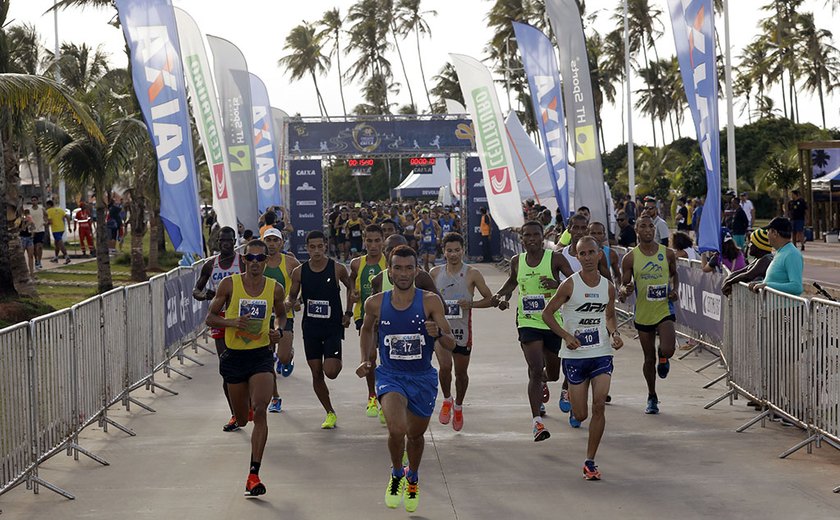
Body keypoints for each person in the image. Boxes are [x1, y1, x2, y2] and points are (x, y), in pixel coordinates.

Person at [356, 245, 455, 513]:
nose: (403, 273)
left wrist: (437, 334)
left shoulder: (430, 301)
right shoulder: (375, 302)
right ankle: (398, 473)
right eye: (397, 268)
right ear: (389, 270)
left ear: (416, 270)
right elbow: (366, 330)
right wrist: (367, 358)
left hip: (422, 377)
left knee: (415, 436)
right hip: (391, 376)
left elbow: (451, 342)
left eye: (408, 267)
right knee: (397, 429)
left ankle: (413, 477)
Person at [206, 239, 286, 497]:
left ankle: (254, 474)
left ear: (266, 260)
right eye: (250, 259)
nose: (255, 263)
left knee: (261, 410)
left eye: (260, 259)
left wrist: (278, 330)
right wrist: (231, 322)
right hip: (234, 357)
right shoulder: (229, 284)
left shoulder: (275, 288)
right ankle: (244, 410)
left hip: (261, 355)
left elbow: (282, 314)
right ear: (244, 260)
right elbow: (210, 317)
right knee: (243, 419)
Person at [542, 236, 623, 480]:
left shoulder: (607, 286)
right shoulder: (569, 285)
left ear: (600, 254)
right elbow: (547, 314)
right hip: (575, 356)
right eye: (582, 254)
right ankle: (568, 393)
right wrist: (566, 335)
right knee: (581, 415)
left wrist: (615, 333)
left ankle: (590, 461)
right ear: (577, 258)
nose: (587, 258)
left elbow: (609, 316)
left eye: (591, 252)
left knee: (599, 405)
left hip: (600, 353)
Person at [491, 221, 574, 441]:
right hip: (527, 322)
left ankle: (544, 382)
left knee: (553, 374)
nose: (531, 239)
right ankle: (537, 422)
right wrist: (501, 296)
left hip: (553, 322)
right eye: (526, 235)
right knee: (535, 368)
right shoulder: (517, 261)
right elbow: (511, 284)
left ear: (542, 236)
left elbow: (575, 282)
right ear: (522, 239)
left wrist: (557, 284)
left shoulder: (555, 258)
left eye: (535, 235)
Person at [287, 230, 353, 429]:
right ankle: (329, 412)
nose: (316, 250)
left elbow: (351, 288)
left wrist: (348, 313)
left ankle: (333, 365)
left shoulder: (337, 269)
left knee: (331, 371)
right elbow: (292, 297)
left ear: (326, 246)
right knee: (316, 373)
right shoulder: (299, 272)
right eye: (312, 247)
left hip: (332, 326)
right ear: (306, 248)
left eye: (320, 246)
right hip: (311, 328)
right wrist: (293, 303)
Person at [430, 232, 494, 431]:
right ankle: (447, 399)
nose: (453, 254)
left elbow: (489, 299)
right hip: (442, 332)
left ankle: (458, 405)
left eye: (457, 250)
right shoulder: (435, 273)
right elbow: (425, 298)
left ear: (463, 250)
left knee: (461, 373)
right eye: (449, 251)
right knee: (445, 367)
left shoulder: (472, 273)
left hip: (463, 332)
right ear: (444, 252)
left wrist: (470, 304)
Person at [619, 215, 679, 415]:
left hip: (664, 308)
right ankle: (652, 396)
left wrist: (674, 290)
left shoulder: (667, 253)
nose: (647, 229)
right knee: (647, 358)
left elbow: (674, 274)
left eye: (650, 226)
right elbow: (623, 284)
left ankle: (664, 356)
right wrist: (624, 290)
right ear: (636, 230)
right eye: (642, 226)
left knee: (668, 348)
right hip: (643, 312)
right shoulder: (630, 258)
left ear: (655, 229)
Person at [193, 226, 247, 431]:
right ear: (218, 242)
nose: (225, 243)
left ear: (234, 241)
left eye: (229, 240)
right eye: (222, 240)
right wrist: (206, 295)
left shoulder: (242, 261)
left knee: (245, 363)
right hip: (219, 319)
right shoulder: (210, 265)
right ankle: (234, 413)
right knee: (226, 368)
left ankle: (247, 402)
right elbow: (196, 290)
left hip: (242, 317)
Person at [348, 224, 387, 419]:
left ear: (383, 241)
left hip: (389, 317)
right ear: (364, 241)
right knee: (370, 356)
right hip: (364, 316)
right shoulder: (357, 263)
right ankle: (372, 395)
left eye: (377, 241)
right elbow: (351, 285)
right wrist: (352, 298)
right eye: (369, 241)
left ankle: (387, 397)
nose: (373, 245)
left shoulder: (391, 263)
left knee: (388, 359)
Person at [262, 228, 300, 413]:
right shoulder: (258, 262)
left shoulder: (290, 262)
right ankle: (275, 398)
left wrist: (296, 300)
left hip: (284, 315)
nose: (271, 244)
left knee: (283, 357)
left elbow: (303, 281)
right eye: (268, 240)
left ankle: (289, 354)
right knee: (267, 359)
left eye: (274, 240)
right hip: (262, 317)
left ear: (281, 243)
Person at [749, 217, 803, 296]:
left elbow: (797, 287)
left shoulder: (791, 254)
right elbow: (777, 282)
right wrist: (761, 283)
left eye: (768, 231)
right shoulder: (781, 252)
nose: (767, 235)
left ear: (775, 233)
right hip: (776, 307)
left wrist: (767, 286)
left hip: (786, 308)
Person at [722, 229, 774, 296]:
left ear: (759, 245)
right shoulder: (758, 258)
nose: (749, 245)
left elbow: (748, 275)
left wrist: (728, 283)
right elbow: (743, 270)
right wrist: (728, 279)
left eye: (751, 243)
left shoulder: (766, 259)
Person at [45, 200, 71, 264]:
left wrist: (45, 224)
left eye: (47, 205)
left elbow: (50, 222)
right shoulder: (60, 210)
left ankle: (66, 256)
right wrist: (69, 226)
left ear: (49, 205)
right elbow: (67, 216)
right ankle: (56, 257)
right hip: (62, 228)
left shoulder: (48, 211)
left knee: (60, 243)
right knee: (56, 244)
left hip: (55, 229)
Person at [29, 195, 47, 269]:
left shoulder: (41, 209)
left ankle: (39, 261)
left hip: (40, 230)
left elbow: (46, 215)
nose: (33, 201)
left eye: (35, 200)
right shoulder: (29, 210)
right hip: (32, 231)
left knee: (39, 247)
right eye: (32, 200)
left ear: (37, 201)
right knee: (34, 248)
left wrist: (45, 221)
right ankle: (36, 260)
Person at [20, 209, 36, 278]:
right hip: (23, 237)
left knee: (31, 256)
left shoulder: (30, 220)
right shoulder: (21, 220)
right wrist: (25, 223)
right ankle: (22, 273)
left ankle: (31, 273)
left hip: (29, 238)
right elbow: (21, 229)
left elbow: (34, 228)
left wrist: (31, 224)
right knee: (21, 256)